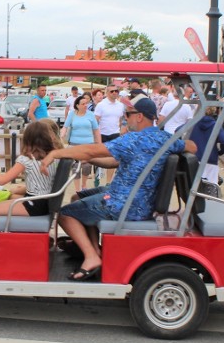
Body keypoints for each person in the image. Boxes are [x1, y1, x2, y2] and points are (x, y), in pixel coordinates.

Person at [42, 96, 197, 281]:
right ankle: (94, 250)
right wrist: (89, 159)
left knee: (65, 213)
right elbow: (192, 146)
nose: (125, 118)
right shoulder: (164, 138)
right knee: (77, 198)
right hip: (139, 201)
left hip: (122, 204)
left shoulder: (133, 140)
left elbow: (92, 149)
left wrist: (56, 153)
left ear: (139, 116)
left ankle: (91, 257)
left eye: (128, 114)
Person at [0, 120, 63, 274]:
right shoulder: (56, 156)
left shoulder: (26, 159)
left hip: (32, 204)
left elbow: (2, 180)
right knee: (7, 197)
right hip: (43, 202)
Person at [61, 95, 101, 192]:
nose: (85, 105)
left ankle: (84, 185)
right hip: (74, 144)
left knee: (87, 166)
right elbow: (65, 126)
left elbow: (96, 130)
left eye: (86, 103)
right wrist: (62, 134)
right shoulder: (72, 114)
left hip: (88, 144)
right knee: (75, 167)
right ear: (77, 105)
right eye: (83, 104)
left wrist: (99, 144)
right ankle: (78, 189)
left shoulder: (91, 115)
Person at [94, 84, 126, 184]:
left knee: (113, 158)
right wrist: (96, 136)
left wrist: (119, 131)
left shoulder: (120, 105)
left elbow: (120, 120)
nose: (114, 93)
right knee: (99, 158)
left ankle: (108, 182)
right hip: (103, 133)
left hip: (115, 134)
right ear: (107, 93)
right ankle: (97, 178)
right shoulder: (101, 105)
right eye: (112, 91)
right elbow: (96, 121)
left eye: (116, 91)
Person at [188, 106, 224, 184]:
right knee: (212, 185)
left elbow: (178, 130)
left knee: (195, 185)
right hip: (210, 158)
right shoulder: (216, 125)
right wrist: (220, 152)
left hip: (194, 158)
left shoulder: (194, 123)